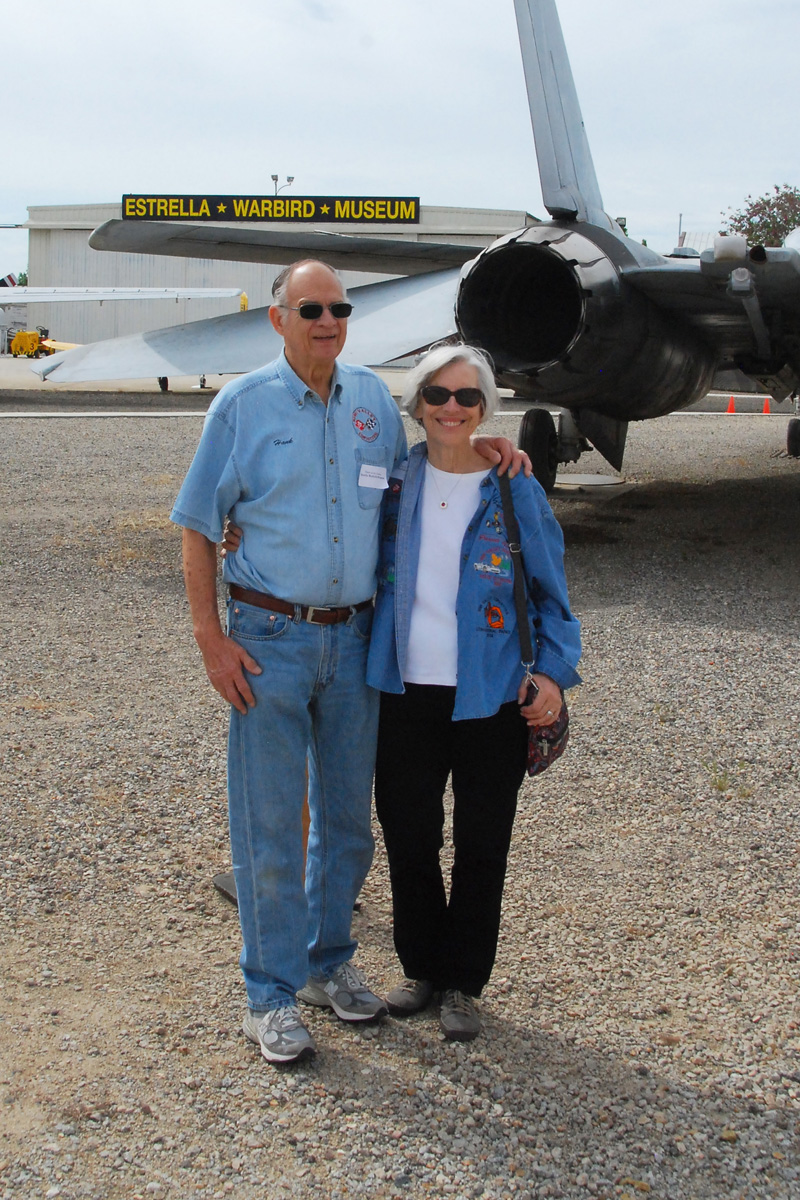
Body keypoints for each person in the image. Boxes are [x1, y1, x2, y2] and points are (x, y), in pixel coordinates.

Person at [171, 260, 527, 1064]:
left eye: (339, 307)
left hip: (360, 643)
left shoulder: (371, 400)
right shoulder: (242, 406)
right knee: (270, 825)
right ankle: (268, 993)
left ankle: (328, 967)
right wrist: (209, 636)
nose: (327, 320)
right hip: (268, 643)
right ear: (278, 319)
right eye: (310, 308)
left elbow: (430, 464)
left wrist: (489, 443)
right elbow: (197, 522)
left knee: (344, 825)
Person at [366, 343, 582, 1041]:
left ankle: (464, 981)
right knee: (409, 833)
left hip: (491, 696)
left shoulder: (515, 487)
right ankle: (421, 967)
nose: (452, 409)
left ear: (487, 408)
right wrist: (244, 531)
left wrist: (551, 673)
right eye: (438, 395)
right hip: (403, 693)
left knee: (483, 841)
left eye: (467, 398)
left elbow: (552, 594)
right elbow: (332, 539)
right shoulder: (393, 484)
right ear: (418, 404)